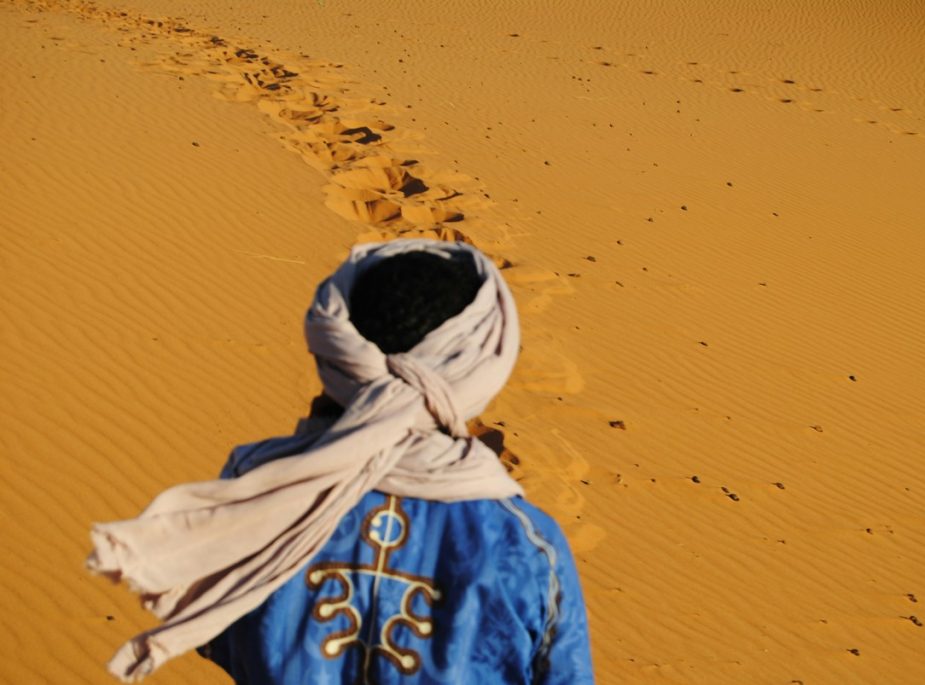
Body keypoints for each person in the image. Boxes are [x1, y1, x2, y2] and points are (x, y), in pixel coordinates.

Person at [88, 239, 594, 684]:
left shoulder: (254, 499)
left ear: (335, 350)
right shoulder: (528, 542)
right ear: (484, 367)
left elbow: (222, 637)